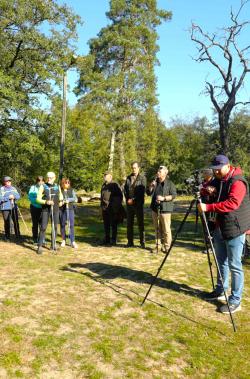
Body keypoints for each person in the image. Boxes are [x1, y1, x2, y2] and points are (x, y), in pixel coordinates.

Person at [198, 154, 250, 314]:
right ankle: (221, 290)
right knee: (221, 260)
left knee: (235, 265)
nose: (216, 172)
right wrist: (206, 190)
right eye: (214, 170)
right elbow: (204, 189)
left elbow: (233, 203)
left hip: (235, 227)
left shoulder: (238, 181)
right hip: (220, 226)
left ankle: (235, 300)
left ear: (227, 166)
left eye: (218, 169)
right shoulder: (218, 178)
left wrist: (209, 207)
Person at [147, 166, 177, 253]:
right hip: (155, 209)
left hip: (165, 209)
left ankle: (167, 247)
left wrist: (163, 198)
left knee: (166, 229)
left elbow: (174, 195)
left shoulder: (170, 183)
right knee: (157, 229)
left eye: (160, 172)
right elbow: (148, 193)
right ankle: (158, 246)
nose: (158, 173)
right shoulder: (155, 182)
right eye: (158, 171)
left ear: (165, 173)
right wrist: (151, 187)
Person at [36, 172, 63, 254]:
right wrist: (46, 202)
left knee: (54, 227)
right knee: (43, 227)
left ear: (54, 177)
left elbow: (61, 195)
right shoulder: (43, 186)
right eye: (48, 177)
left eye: (51, 177)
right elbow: (38, 199)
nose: (49, 179)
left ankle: (53, 245)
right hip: (46, 209)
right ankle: (40, 246)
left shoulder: (57, 186)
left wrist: (61, 201)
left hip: (55, 209)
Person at [124, 162, 146, 248]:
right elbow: (125, 190)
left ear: (139, 168)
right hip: (129, 204)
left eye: (135, 168)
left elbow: (142, 191)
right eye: (132, 168)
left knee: (140, 223)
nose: (134, 169)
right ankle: (130, 242)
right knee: (129, 223)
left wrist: (133, 199)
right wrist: (127, 199)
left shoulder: (142, 178)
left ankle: (142, 242)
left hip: (138, 204)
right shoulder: (128, 178)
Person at [100, 172, 123, 246]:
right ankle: (107, 239)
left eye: (106, 175)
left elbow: (119, 196)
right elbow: (102, 197)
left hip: (112, 207)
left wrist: (115, 206)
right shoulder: (103, 185)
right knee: (106, 224)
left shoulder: (115, 185)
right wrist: (101, 207)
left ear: (110, 176)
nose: (104, 176)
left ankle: (113, 240)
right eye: (104, 175)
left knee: (113, 225)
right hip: (104, 208)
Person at [0, 176, 21, 241]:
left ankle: (18, 236)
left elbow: (18, 196)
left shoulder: (13, 188)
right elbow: (0, 199)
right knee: (7, 222)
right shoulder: (2, 189)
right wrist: (8, 197)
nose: (9, 182)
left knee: (16, 221)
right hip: (5, 208)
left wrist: (13, 197)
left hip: (13, 207)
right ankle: (7, 236)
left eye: (9, 181)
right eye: (7, 181)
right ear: (4, 182)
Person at [59, 178, 78, 248]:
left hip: (70, 209)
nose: (67, 184)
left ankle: (72, 241)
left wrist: (68, 200)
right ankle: (63, 240)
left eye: (68, 182)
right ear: (62, 183)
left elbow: (75, 198)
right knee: (63, 224)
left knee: (71, 225)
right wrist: (63, 201)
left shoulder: (71, 190)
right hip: (62, 209)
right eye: (66, 182)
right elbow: (58, 199)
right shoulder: (60, 191)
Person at [28, 176, 44, 244]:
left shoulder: (45, 187)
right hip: (34, 207)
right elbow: (30, 197)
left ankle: (42, 239)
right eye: (38, 180)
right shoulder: (33, 187)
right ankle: (35, 238)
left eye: (41, 180)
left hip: (43, 208)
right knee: (35, 223)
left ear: (44, 181)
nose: (40, 182)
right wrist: (37, 201)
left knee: (42, 224)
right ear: (36, 181)